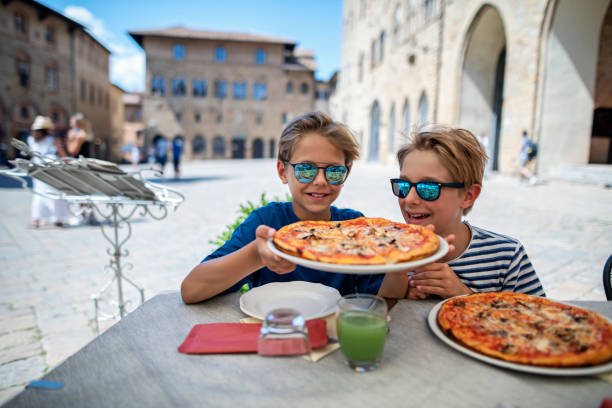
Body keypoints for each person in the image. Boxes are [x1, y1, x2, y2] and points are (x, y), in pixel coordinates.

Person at [181, 111, 383, 303]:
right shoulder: (267, 223)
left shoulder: (355, 227)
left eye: (334, 171)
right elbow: (191, 289)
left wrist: (401, 266)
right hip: (275, 332)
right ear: (282, 171)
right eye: (306, 169)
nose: (321, 180)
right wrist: (255, 255)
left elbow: (384, 298)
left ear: (346, 173)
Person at [377, 126, 545, 299]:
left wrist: (466, 297)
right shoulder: (386, 250)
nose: (409, 199)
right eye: (403, 186)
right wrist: (396, 277)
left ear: (468, 196)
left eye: (428, 188)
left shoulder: (506, 258)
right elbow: (373, 321)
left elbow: (540, 322)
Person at [27, 115, 70, 228]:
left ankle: (36, 219)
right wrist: (69, 163)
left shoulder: (31, 140)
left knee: (39, 195)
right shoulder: (52, 140)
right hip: (51, 172)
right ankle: (57, 219)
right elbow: (62, 155)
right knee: (54, 195)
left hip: (38, 172)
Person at [66, 113, 99, 226]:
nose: (70, 123)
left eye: (72, 121)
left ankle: (84, 216)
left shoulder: (78, 134)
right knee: (86, 191)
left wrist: (72, 140)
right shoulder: (86, 133)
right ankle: (89, 215)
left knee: (80, 192)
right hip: (85, 165)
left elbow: (72, 151)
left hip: (79, 166)